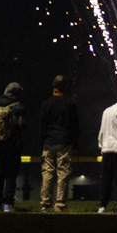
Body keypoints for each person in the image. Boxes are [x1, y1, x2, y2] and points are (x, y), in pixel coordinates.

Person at [38, 75, 79, 212]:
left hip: (49, 142)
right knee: (63, 172)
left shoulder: (46, 103)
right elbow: (75, 126)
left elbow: (42, 125)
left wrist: (42, 141)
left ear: (53, 86)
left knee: (47, 172)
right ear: (65, 87)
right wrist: (74, 144)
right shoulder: (70, 103)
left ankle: (45, 203)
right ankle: (60, 203)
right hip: (64, 142)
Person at [0, 82, 26, 212]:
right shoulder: (18, 107)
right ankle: (7, 204)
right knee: (11, 175)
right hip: (13, 146)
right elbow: (22, 126)